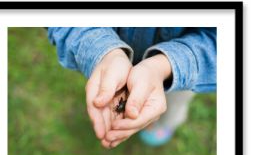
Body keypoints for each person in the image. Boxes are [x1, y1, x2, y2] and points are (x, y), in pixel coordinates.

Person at [48, 27, 216, 148]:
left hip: (175, 77)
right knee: (109, 91)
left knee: (171, 105)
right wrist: (103, 51)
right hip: (110, 62)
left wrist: (165, 66)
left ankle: (162, 124)